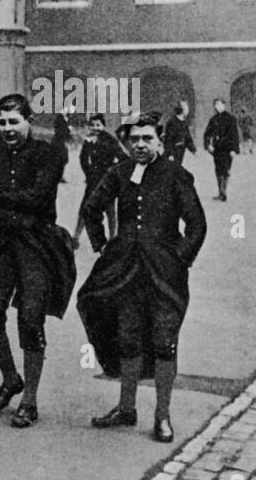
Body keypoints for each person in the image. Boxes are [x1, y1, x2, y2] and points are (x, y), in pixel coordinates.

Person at [78, 112, 206, 444]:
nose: (140, 145)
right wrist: (102, 245)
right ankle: (126, 408)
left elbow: (197, 225)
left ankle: (162, 416)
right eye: (134, 139)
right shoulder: (120, 172)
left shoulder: (177, 175)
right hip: (125, 271)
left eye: (147, 138)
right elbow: (91, 208)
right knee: (129, 338)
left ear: (159, 141)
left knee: (165, 343)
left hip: (164, 274)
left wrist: (179, 259)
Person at [0, 94, 76, 429]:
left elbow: (41, 196)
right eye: (2, 122)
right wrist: (13, 210)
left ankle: (29, 400)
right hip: (3, 244)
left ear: (28, 120)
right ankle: (11, 378)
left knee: (30, 320)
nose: (7, 128)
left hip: (37, 245)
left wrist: (0, 199)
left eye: (14, 121)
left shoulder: (48, 153)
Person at [72, 113, 127, 250]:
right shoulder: (89, 140)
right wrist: (88, 172)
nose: (95, 128)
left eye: (98, 125)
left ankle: (113, 238)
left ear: (103, 126)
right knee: (86, 207)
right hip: (93, 179)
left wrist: (113, 172)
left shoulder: (110, 140)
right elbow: (83, 158)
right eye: (92, 125)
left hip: (107, 180)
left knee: (109, 210)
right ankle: (76, 237)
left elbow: (123, 158)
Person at [202, 98, 240, 202]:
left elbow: (234, 135)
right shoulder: (213, 119)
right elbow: (207, 133)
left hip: (227, 149)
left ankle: (223, 192)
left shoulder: (231, 119)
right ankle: (221, 192)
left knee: (225, 170)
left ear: (224, 105)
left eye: (219, 104)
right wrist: (208, 145)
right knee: (218, 170)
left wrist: (234, 150)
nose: (217, 106)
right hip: (216, 149)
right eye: (216, 105)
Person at [161, 101, 196, 166]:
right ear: (183, 110)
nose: (188, 110)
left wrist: (193, 150)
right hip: (173, 153)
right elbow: (168, 139)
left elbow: (188, 138)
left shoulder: (184, 123)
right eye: (186, 108)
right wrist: (170, 154)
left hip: (180, 152)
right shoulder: (172, 122)